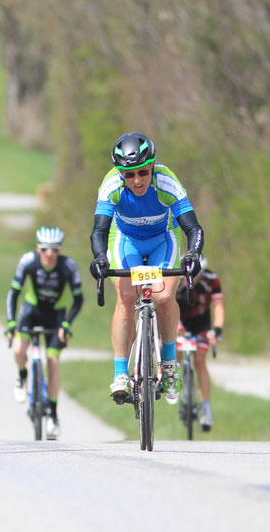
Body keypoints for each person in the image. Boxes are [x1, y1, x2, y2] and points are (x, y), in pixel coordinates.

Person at [89, 132, 204, 406]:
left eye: (143, 172)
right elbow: (100, 230)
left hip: (162, 240)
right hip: (125, 240)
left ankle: (169, 363)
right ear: (120, 174)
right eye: (129, 175)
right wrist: (99, 258)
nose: (137, 180)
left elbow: (193, 228)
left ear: (153, 166)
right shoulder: (110, 186)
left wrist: (192, 254)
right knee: (126, 298)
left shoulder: (166, 182)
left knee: (164, 297)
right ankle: (120, 374)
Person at [5, 226, 82, 439]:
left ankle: (54, 414)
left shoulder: (68, 266)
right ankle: (22, 376)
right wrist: (11, 322)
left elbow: (78, 299)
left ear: (60, 251)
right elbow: (14, 293)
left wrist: (67, 324)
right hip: (31, 311)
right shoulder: (28, 261)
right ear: (38, 249)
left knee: (53, 362)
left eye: (55, 250)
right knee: (19, 350)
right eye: (46, 250)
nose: (50, 254)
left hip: (56, 315)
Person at [175, 254, 224, 430]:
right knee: (174, 351)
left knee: (200, 360)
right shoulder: (174, 278)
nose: (191, 277)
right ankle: (173, 379)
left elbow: (218, 307)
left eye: (196, 273)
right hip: (178, 320)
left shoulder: (211, 281)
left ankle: (206, 411)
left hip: (201, 323)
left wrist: (217, 330)